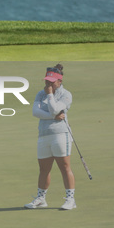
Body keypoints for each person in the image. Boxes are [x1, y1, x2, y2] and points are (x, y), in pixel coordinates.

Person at [24, 64, 76, 210]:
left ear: (59, 81)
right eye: (47, 80)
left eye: (51, 81)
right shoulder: (40, 94)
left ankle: (70, 200)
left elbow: (54, 108)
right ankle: (41, 198)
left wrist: (50, 95)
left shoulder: (66, 95)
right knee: (43, 169)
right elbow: (36, 112)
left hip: (61, 134)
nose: (48, 84)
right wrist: (52, 116)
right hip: (44, 135)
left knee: (64, 167)